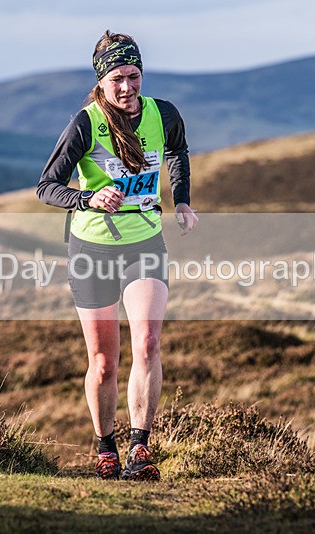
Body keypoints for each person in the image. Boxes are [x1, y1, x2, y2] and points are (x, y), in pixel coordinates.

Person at [37, 30, 197, 481]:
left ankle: (139, 450)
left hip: (145, 243)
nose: (126, 87)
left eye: (133, 76)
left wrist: (182, 200)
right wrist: (87, 198)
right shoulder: (86, 123)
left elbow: (177, 151)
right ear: (101, 81)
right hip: (92, 249)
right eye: (116, 79)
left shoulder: (163, 114)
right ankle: (106, 448)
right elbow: (46, 187)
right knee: (104, 362)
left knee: (147, 343)